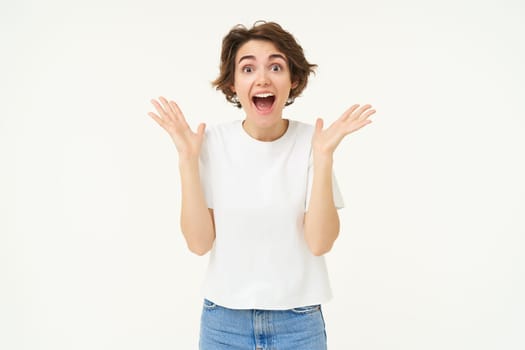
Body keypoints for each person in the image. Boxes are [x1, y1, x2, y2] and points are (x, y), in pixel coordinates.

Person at [148, 21, 375, 350]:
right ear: (232, 84)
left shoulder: (314, 141)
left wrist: (323, 156)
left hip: (299, 321)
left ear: (293, 80)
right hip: (224, 322)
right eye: (248, 67)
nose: (263, 78)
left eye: (276, 66)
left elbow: (319, 242)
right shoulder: (209, 143)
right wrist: (187, 160)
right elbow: (198, 243)